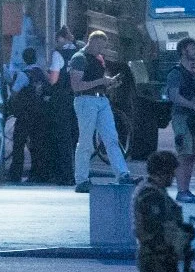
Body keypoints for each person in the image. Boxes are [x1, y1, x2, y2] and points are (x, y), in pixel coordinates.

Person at [70, 31, 136, 192]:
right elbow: (76, 86)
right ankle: (81, 179)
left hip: (101, 99)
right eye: (99, 45)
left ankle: (122, 174)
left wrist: (109, 84)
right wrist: (101, 81)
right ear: (90, 42)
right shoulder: (79, 58)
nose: (101, 49)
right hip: (86, 100)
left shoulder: (99, 59)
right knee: (86, 141)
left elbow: (96, 81)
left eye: (103, 46)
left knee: (112, 138)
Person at [166, 38, 195, 203]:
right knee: (184, 153)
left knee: (191, 155)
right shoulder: (176, 73)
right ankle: (181, 191)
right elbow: (174, 96)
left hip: (194, 119)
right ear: (184, 50)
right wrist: (193, 106)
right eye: (193, 48)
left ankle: (186, 190)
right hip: (182, 117)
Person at [8, 48, 50, 183]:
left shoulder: (23, 74)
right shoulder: (42, 74)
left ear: (24, 59)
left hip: (25, 114)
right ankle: (39, 173)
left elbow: (14, 93)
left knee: (19, 143)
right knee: (38, 144)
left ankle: (15, 174)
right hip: (41, 114)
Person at [47, 26, 78, 186]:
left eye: (57, 39)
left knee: (63, 137)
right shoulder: (80, 53)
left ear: (62, 38)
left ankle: (65, 174)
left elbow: (53, 79)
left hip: (62, 99)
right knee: (76, 138)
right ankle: (79, 173)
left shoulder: (58, 55)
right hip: (78, 98)